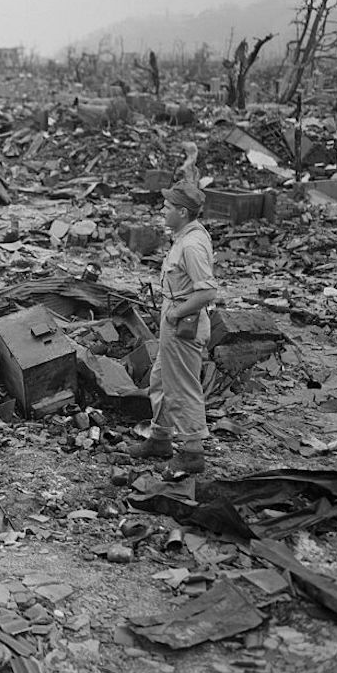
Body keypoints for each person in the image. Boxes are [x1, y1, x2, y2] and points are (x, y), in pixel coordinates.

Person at [128, 181, 218, 473]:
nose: (162, 211)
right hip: (177, 315)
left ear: (182, 212)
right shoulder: (187, 235)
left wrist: (175, 313)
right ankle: (160, 438)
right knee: (161, 380)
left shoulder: (191, 245)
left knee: (181, 386)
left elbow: (207, 291)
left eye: (167, 207)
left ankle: (192, 451)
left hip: (183, 322)